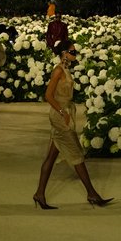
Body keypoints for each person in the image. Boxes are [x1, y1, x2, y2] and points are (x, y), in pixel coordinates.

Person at [32, 38, 113, 209]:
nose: (75, 54)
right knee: (77, 155)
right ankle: (92, 193)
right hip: (60, 116)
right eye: (72, 51)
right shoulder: (58, 71)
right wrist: (62, 113)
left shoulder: (65, 70)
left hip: (65, 113)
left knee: (51, 157)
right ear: (64, 54)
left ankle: (39, 194)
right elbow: (48, 95)